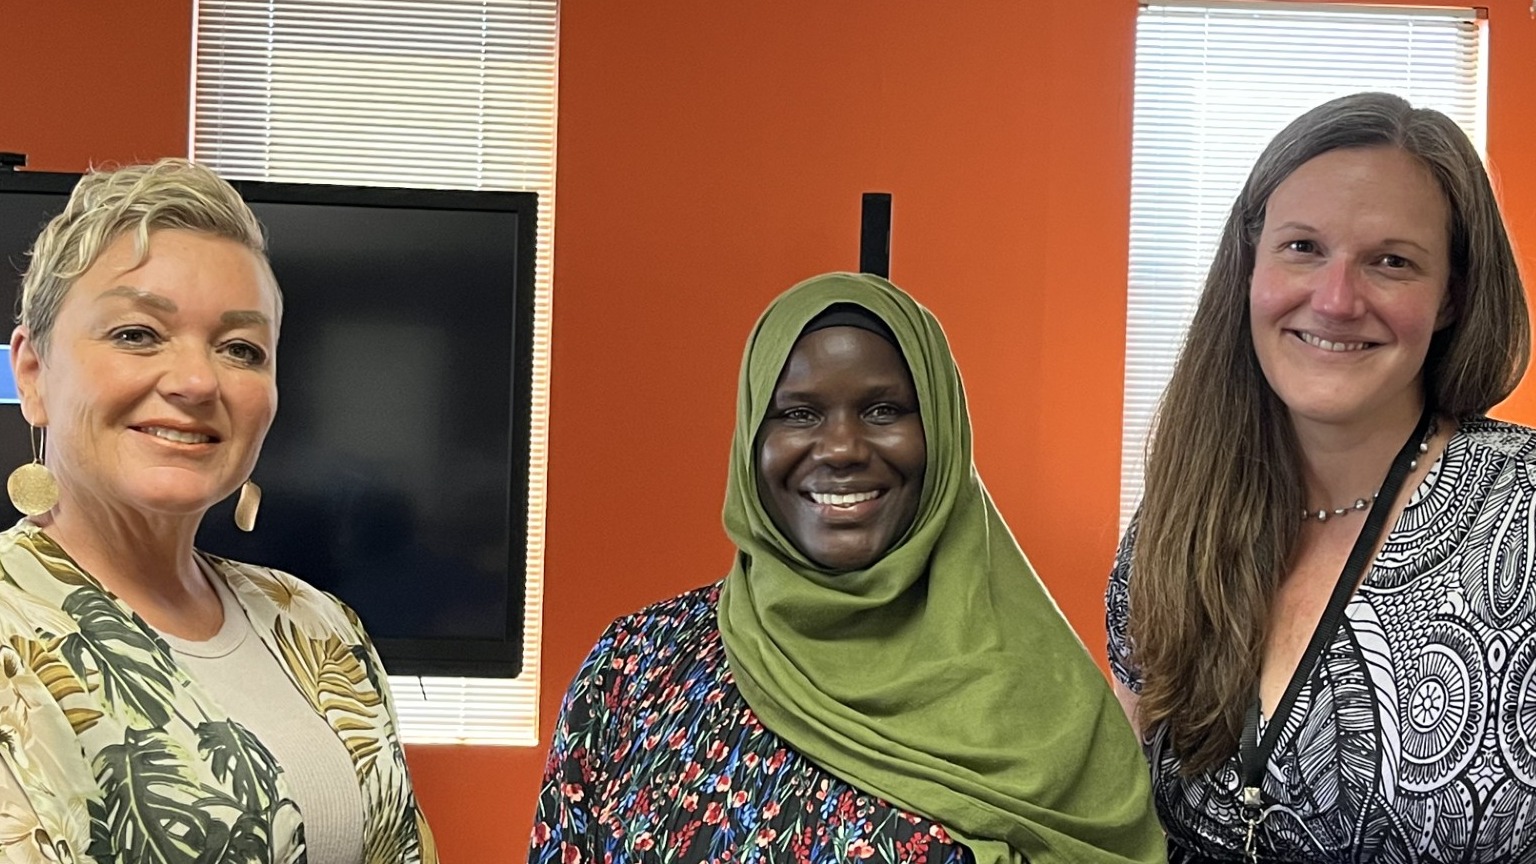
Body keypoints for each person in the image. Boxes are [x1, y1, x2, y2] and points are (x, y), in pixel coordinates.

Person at [530, 272, 1164, 864]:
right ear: (753, 436)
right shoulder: (635, 667)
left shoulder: (1042, 701)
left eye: (883, 410)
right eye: (798, 413)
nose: (840, 449)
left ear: (942, 434)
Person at [1105, 91, 1535, 860]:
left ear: (1451, 299)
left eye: (1392, 262)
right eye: (1303, 247)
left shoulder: (1522, 516)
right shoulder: (1174, 523)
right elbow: (1123, 802)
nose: (1336, 300)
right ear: (1251, 264)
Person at [0, 159, 435, 863]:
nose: (199, 381)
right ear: (33, 374)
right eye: (138, 333)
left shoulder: (319, 628)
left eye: (241, 348)